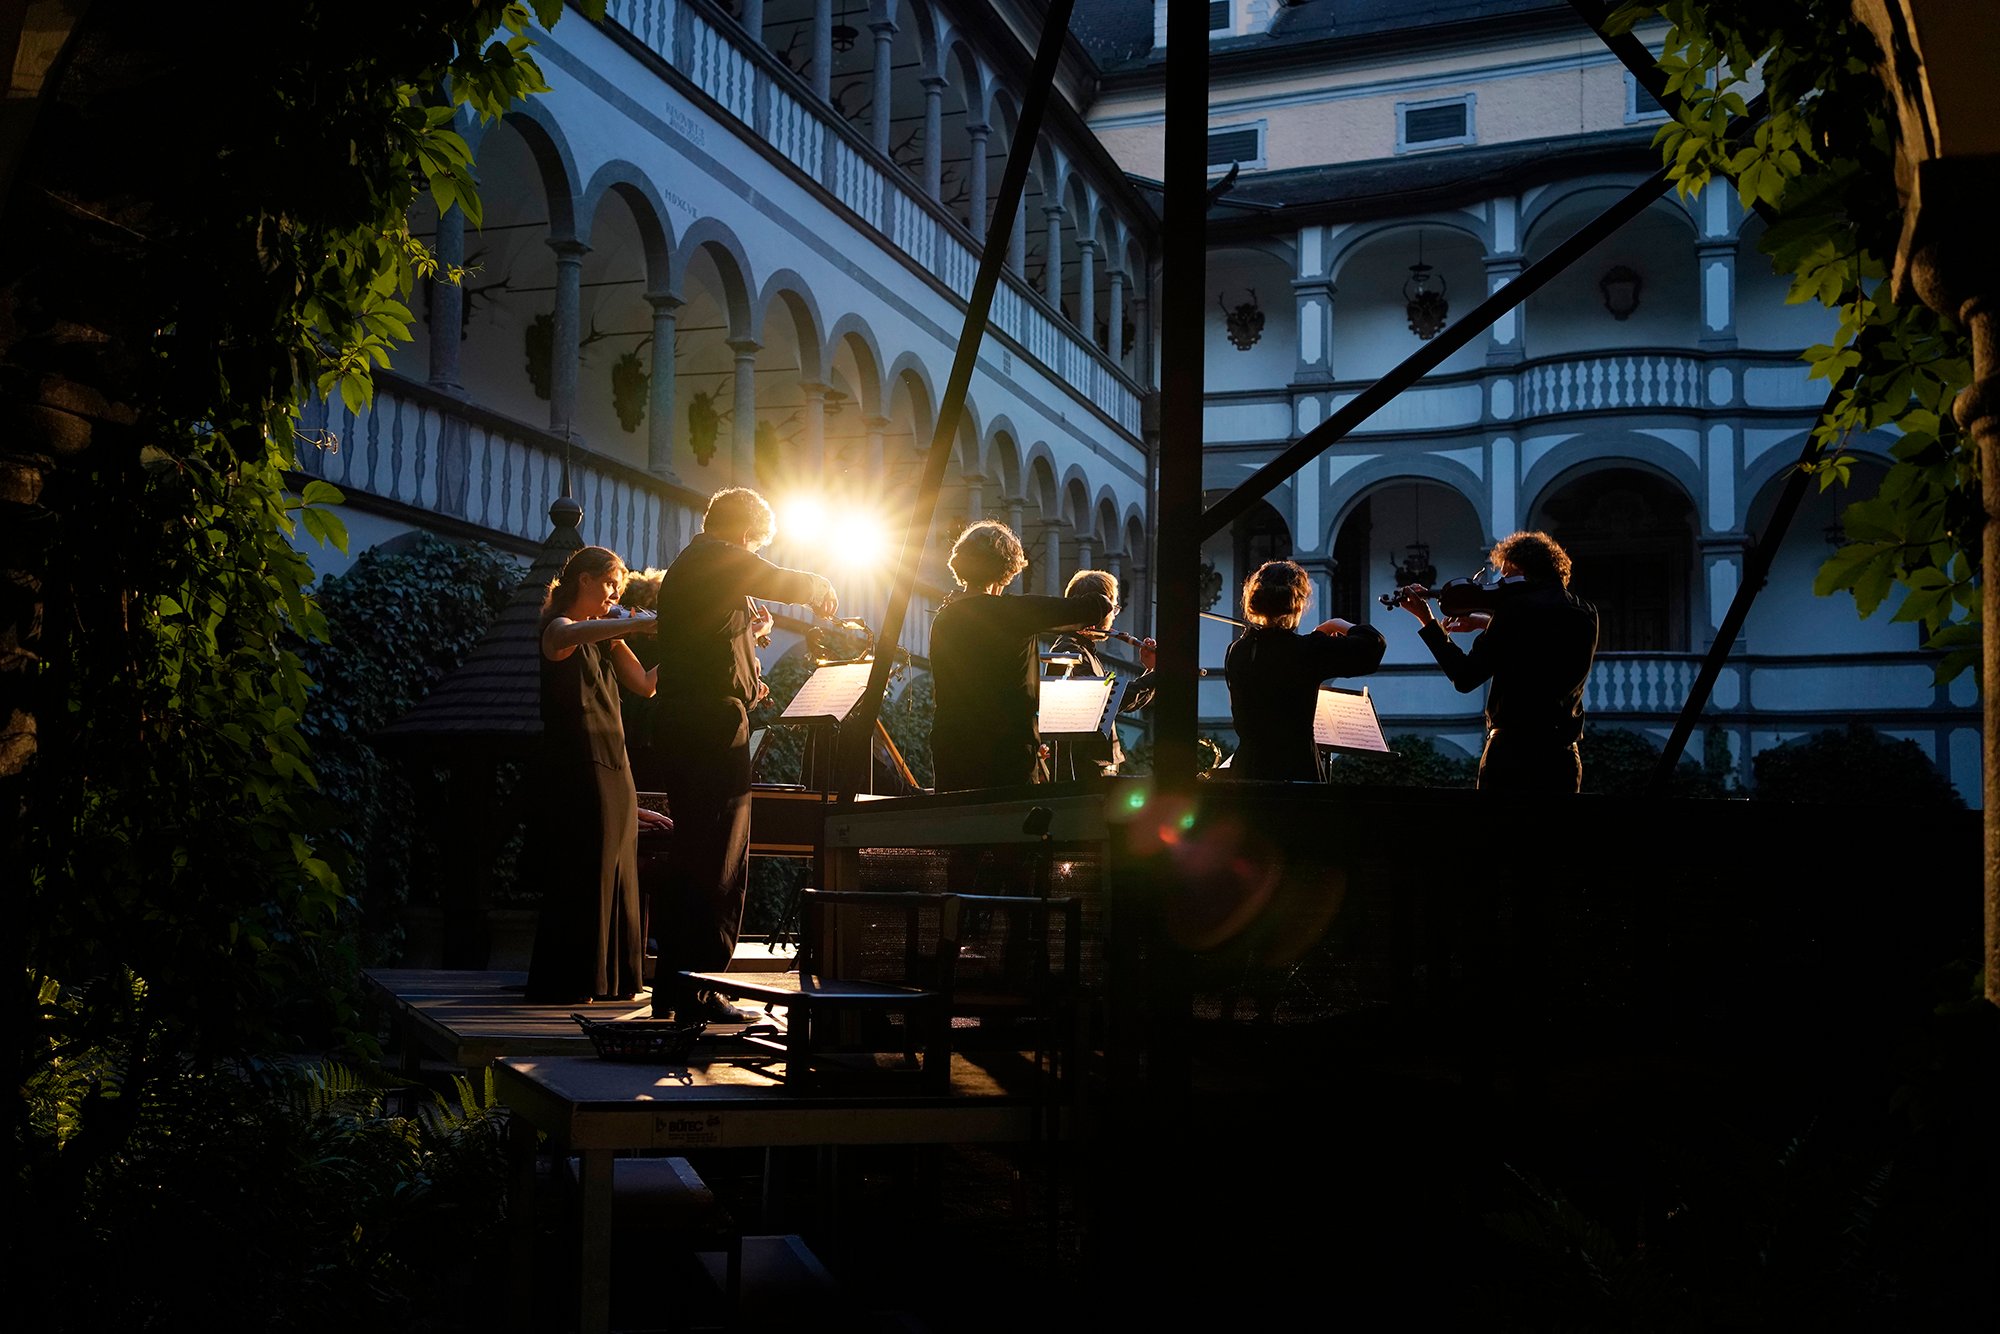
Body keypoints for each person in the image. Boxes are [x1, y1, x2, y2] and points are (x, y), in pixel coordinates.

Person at [644, 487, 838, 1023]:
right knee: (717, 859)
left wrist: (748, 671)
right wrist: (817, 585)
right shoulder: (718, 556)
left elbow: (708, 649)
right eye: (755, 541)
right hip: (710, 727)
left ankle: (678, 990)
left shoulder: (696, 565)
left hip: (693, 720)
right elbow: (775, 577)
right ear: (747, 532)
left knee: (698, 855)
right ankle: (700, 990)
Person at [523, 545, 661, 1005]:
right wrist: (636, 622)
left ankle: (615, 982)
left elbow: (645, 685)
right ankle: (574, 983)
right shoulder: (557, 629)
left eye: (616, 589)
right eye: (607, 585)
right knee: (587, 872)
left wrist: (700, 649)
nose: (612, 596)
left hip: (615, 768)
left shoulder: (606, 638)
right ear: (583, 580)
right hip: (578, 766)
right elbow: (568, 636)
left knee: (620, 875)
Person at [1394, 529, 1599, 794]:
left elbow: (1465, 676)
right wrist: (1488, 622)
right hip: (1563, 761)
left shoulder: (1514, 609)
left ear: (1522, 569)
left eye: (1505, 572)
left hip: (1513, 758)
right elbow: (1540, 642)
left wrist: (1428, 621)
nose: (1500, 581)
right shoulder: (1586, 613)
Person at [927, 520, 1116, 792]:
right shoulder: (1010, 612)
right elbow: (1097, 606)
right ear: (1006, 569)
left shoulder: (944, 617)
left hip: (950, 745)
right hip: (1001, 752)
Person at [1223, 559, 1387, 782]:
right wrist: (1335, 624)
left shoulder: (1237, 650)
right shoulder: (1309, 650)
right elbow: (1373, 646)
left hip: (1248, 771)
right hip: (1295, 771)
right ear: (1297, 604)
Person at [1043, 568, 1157, 779]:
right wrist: (1156, 675)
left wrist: (1151, 672)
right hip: (1083, 771)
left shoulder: (1083, 649)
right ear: (1097, 610)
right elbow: (1108, 700)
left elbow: (1117, 699)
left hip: (1094, 767)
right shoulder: (1070, 651)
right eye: (1113, 608)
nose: (1113, 616)